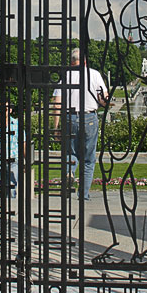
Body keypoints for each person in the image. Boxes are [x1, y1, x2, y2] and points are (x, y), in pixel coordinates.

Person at [51, 48, 108, 201]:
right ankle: (83, 194)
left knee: (71, 152)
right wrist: (103, 103)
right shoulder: (94, 74)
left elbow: (57, 104)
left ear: (71, 61)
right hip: (89, 116)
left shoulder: (66, 76)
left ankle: (70, 170)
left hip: (70, 117)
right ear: (84, 61)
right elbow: (104, 98)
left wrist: (56, 127)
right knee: (88, 159)